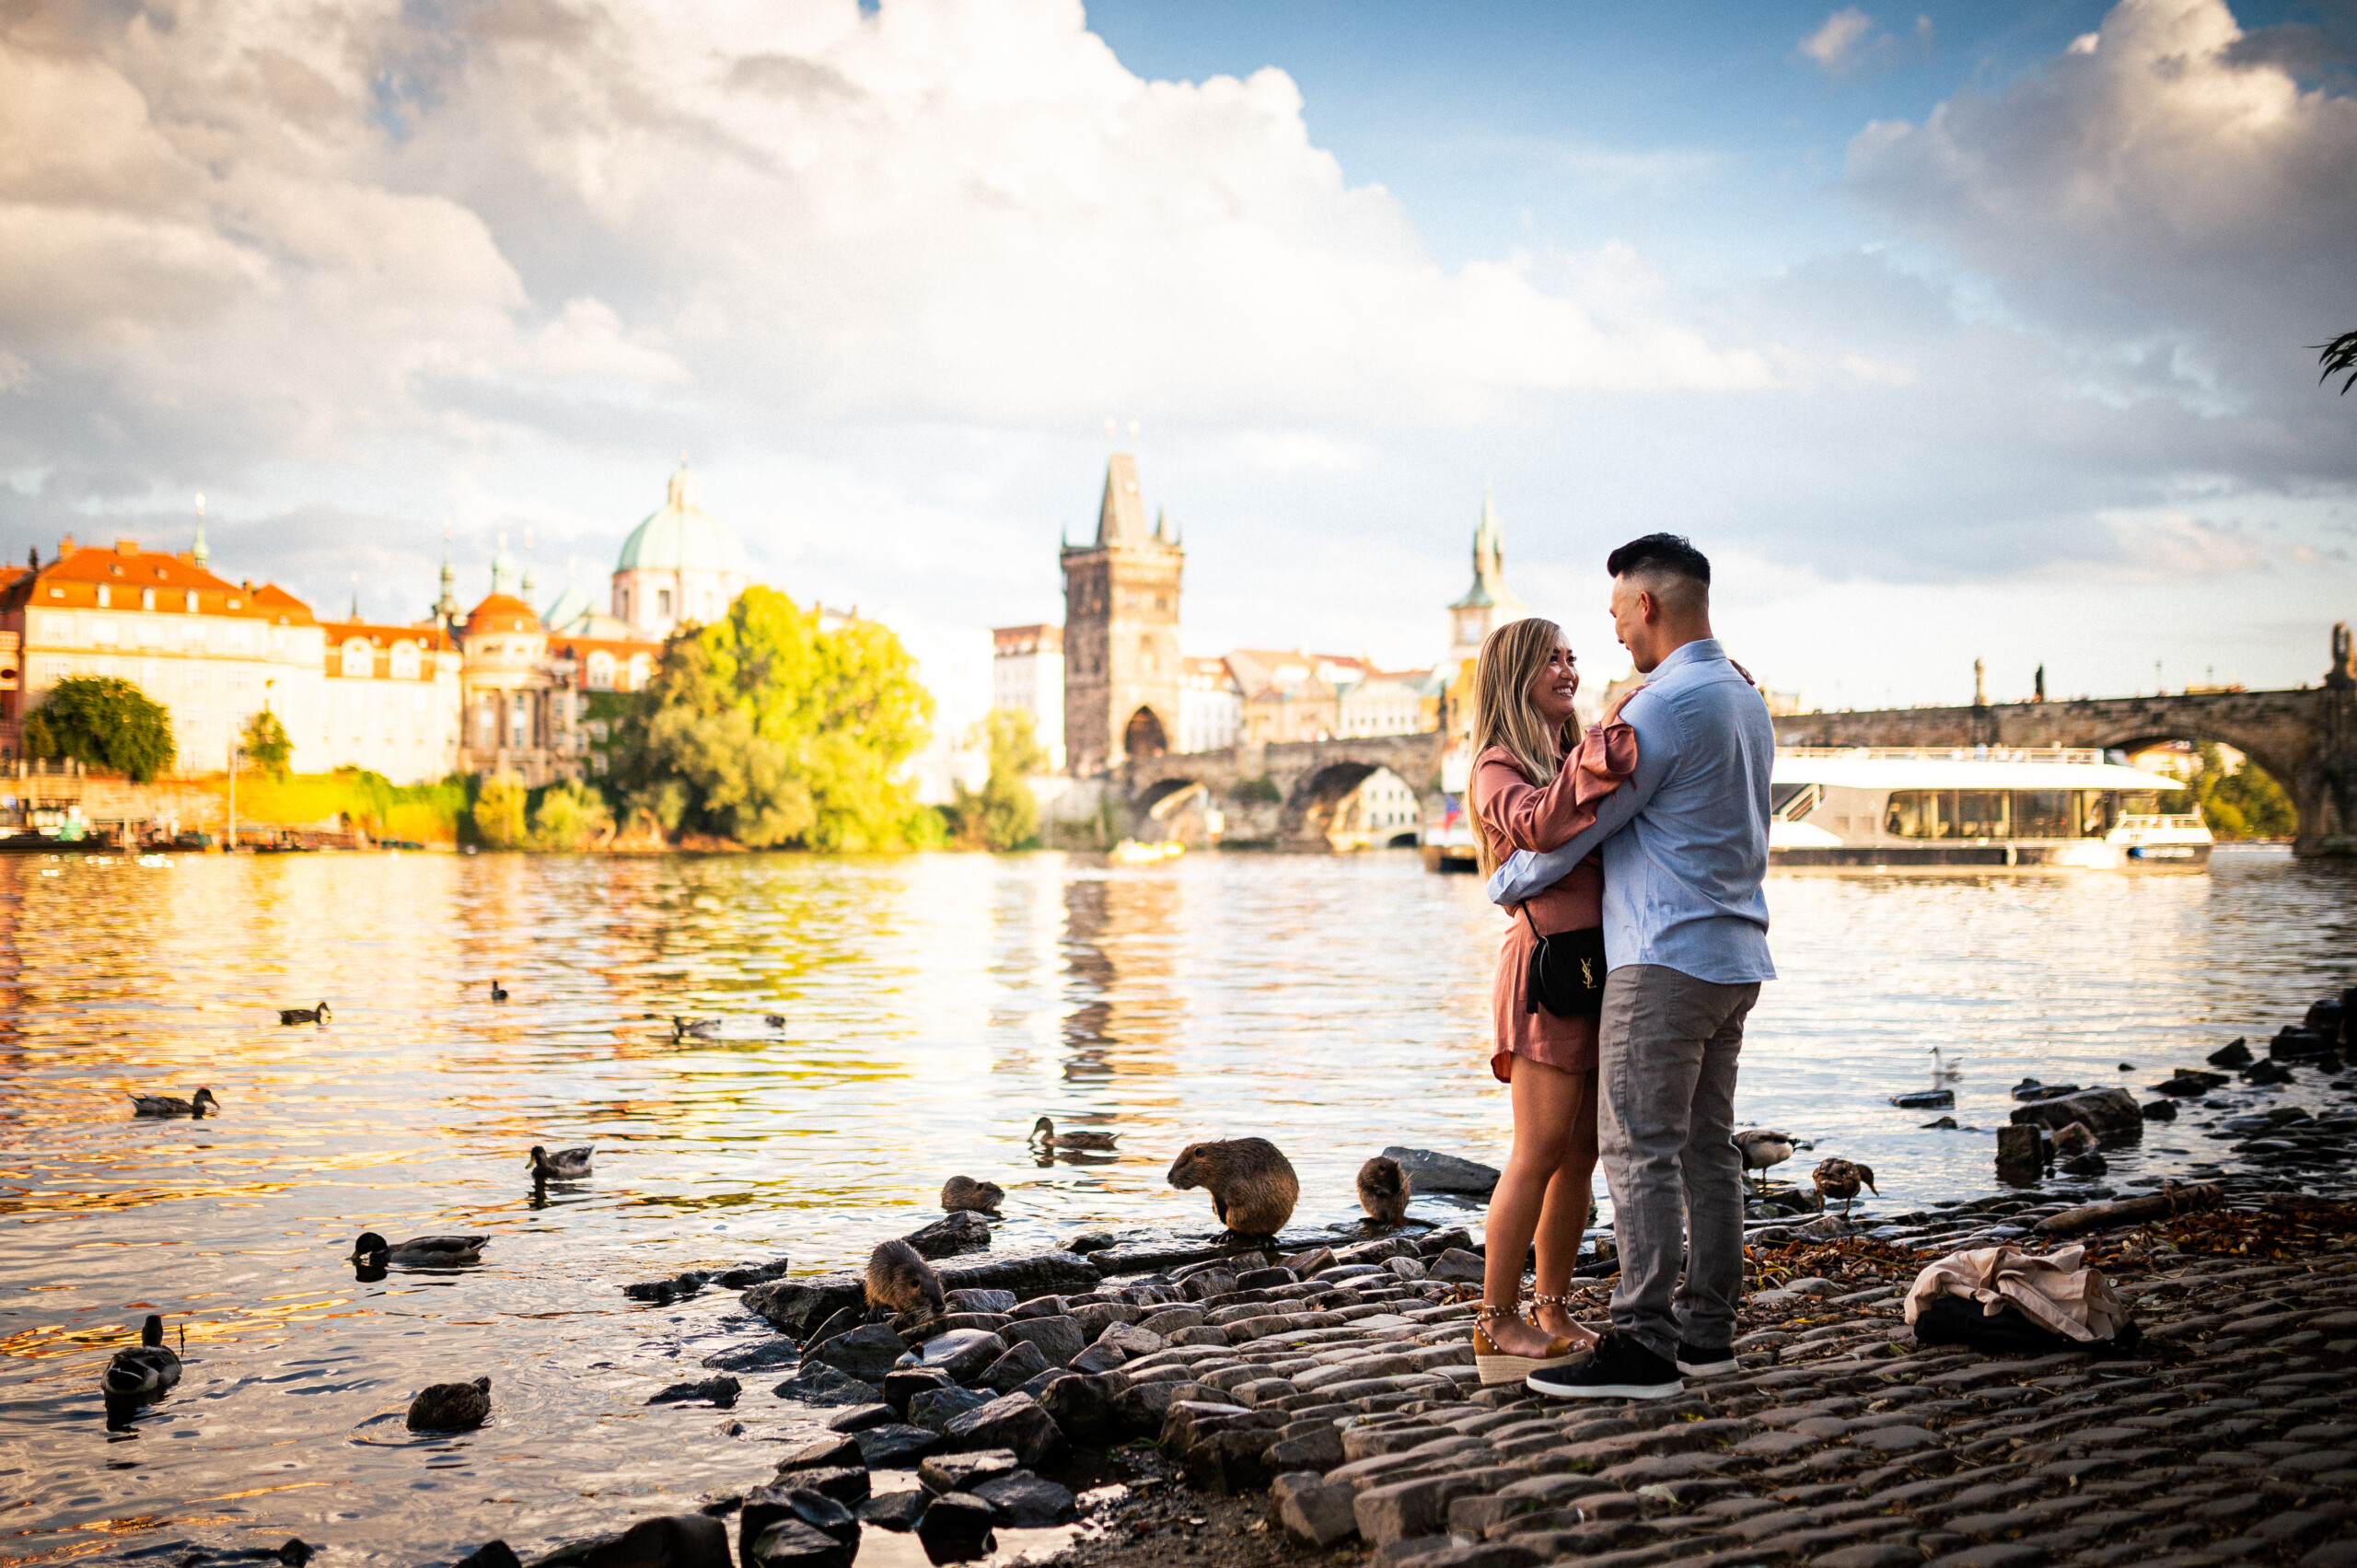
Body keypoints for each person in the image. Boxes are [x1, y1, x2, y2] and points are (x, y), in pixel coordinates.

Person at [1486, 533, 1774, 1400]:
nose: (1613, 634)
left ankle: (1646, 1343)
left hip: (1663, 958)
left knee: (1637, 1150)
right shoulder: (1744, 699)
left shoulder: (1658, 710)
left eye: (1614, 615)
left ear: (1647, 605)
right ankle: (1709, 1336)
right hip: (1736, 954)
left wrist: (1508, 877)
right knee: (1708, 1151)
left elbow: (1579, 824)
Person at [1464, 616, 1637, 1385]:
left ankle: (1553, 1305)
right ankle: (1495, 1321)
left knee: (1581, 1154)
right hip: (1546, 972)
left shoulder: (1568, 753)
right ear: (1514, 676)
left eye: (1573, 657)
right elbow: (1536, 822)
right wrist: (1608, 737)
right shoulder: (1497, 765)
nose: (1569, 670)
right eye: (1552, 661)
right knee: (1536, 1151)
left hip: (1598, 967)